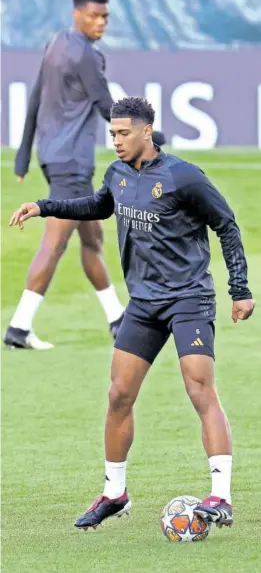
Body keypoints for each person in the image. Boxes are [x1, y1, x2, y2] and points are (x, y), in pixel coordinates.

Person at [9, 96, 255, 530]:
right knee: (119, 395)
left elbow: (227, 224)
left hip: (188, 299)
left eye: (124, 133)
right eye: (113, 134)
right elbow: (99, 205)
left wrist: (240, 289)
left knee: (200, 389)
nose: (117, 141)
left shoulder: (184, 177)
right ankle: (114, 493)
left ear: (147, 131)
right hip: (143, 303)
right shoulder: (118, 173)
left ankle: (222, 496)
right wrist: (44, 205)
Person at [4, 0, 164, 350]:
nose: (101, 23)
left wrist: (24, 152)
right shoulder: (88, 58)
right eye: (94, 16)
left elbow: (34, 95)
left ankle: (116, 318)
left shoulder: (56, 42)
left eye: (105, 17)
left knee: (92, 238)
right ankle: (19, 327)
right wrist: (147, 135)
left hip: (54, 156)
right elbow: (107, 106)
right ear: (77, 14)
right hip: (71, 164)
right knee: (55, 243)